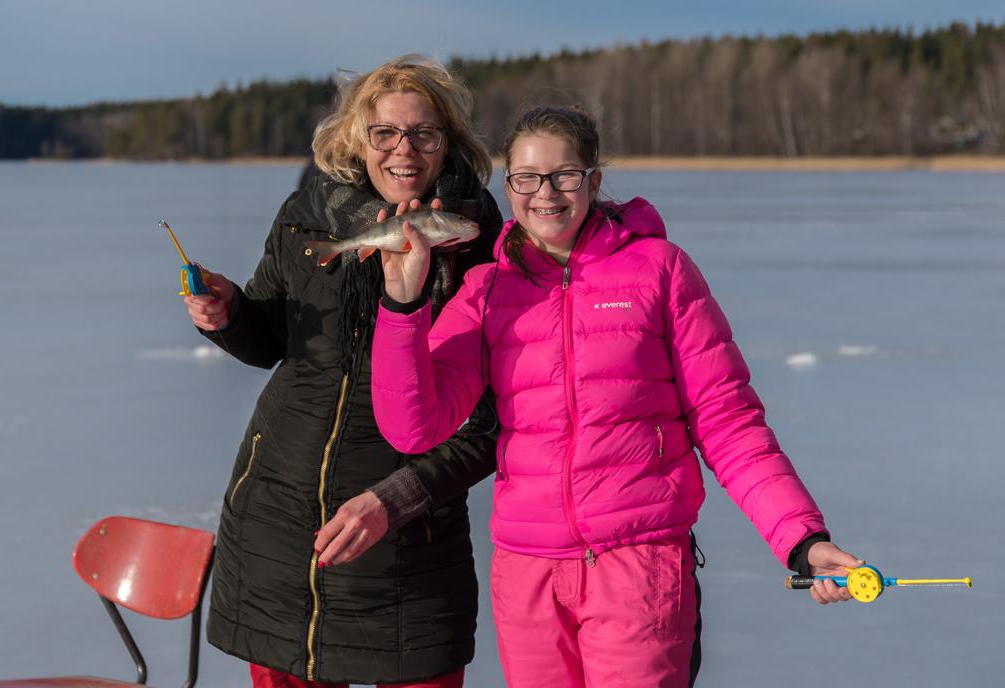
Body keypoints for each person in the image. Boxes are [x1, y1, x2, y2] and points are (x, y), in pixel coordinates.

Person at [369, 106, 863, 687]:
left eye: (564, 176)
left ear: (594, 181)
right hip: (528, 577)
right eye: (526, 178)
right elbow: (413, 428)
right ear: (509, 187)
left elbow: (729, 423)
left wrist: (801, 536)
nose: (545, 193)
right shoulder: (487, 289)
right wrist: (403, 306)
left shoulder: (660, 272)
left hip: (640, 568)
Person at [182, 55, 502, 687]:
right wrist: (230, 315)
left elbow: (492, 422)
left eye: (423, 133)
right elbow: (275, 337)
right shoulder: (308, 217)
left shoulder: (484, 247)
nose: (403, 150)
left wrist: (397, 499)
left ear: (449, 142)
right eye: (385, 133)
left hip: (411, 547)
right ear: (358, 138)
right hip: (280, 530)